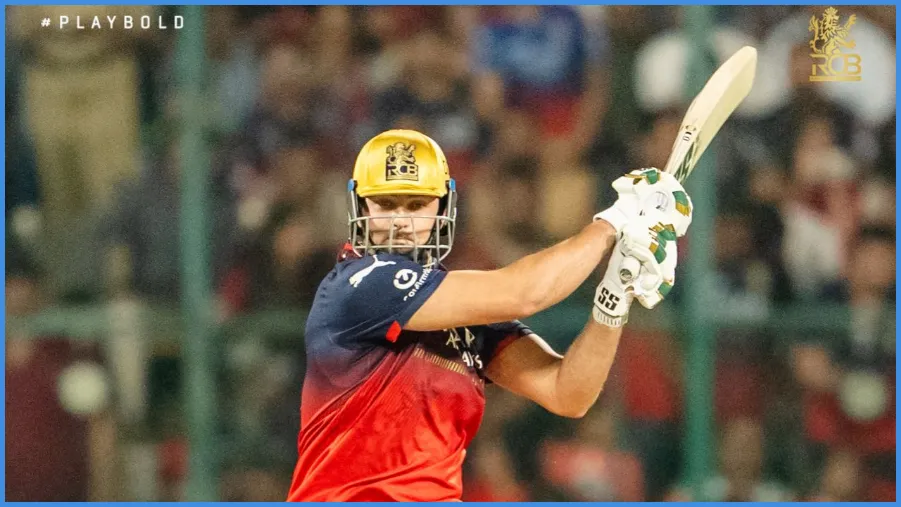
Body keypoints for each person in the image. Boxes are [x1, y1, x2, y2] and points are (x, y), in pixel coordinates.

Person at [286, 129, 693, 501]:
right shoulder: (358, 284)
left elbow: (567, 393)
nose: (402, 221)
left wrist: (614, 295)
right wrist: (614, 222)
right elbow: (525, 293)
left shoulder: (460, 310)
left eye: (417, 204)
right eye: (386, 204)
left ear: (442, 208)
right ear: (360, 206)